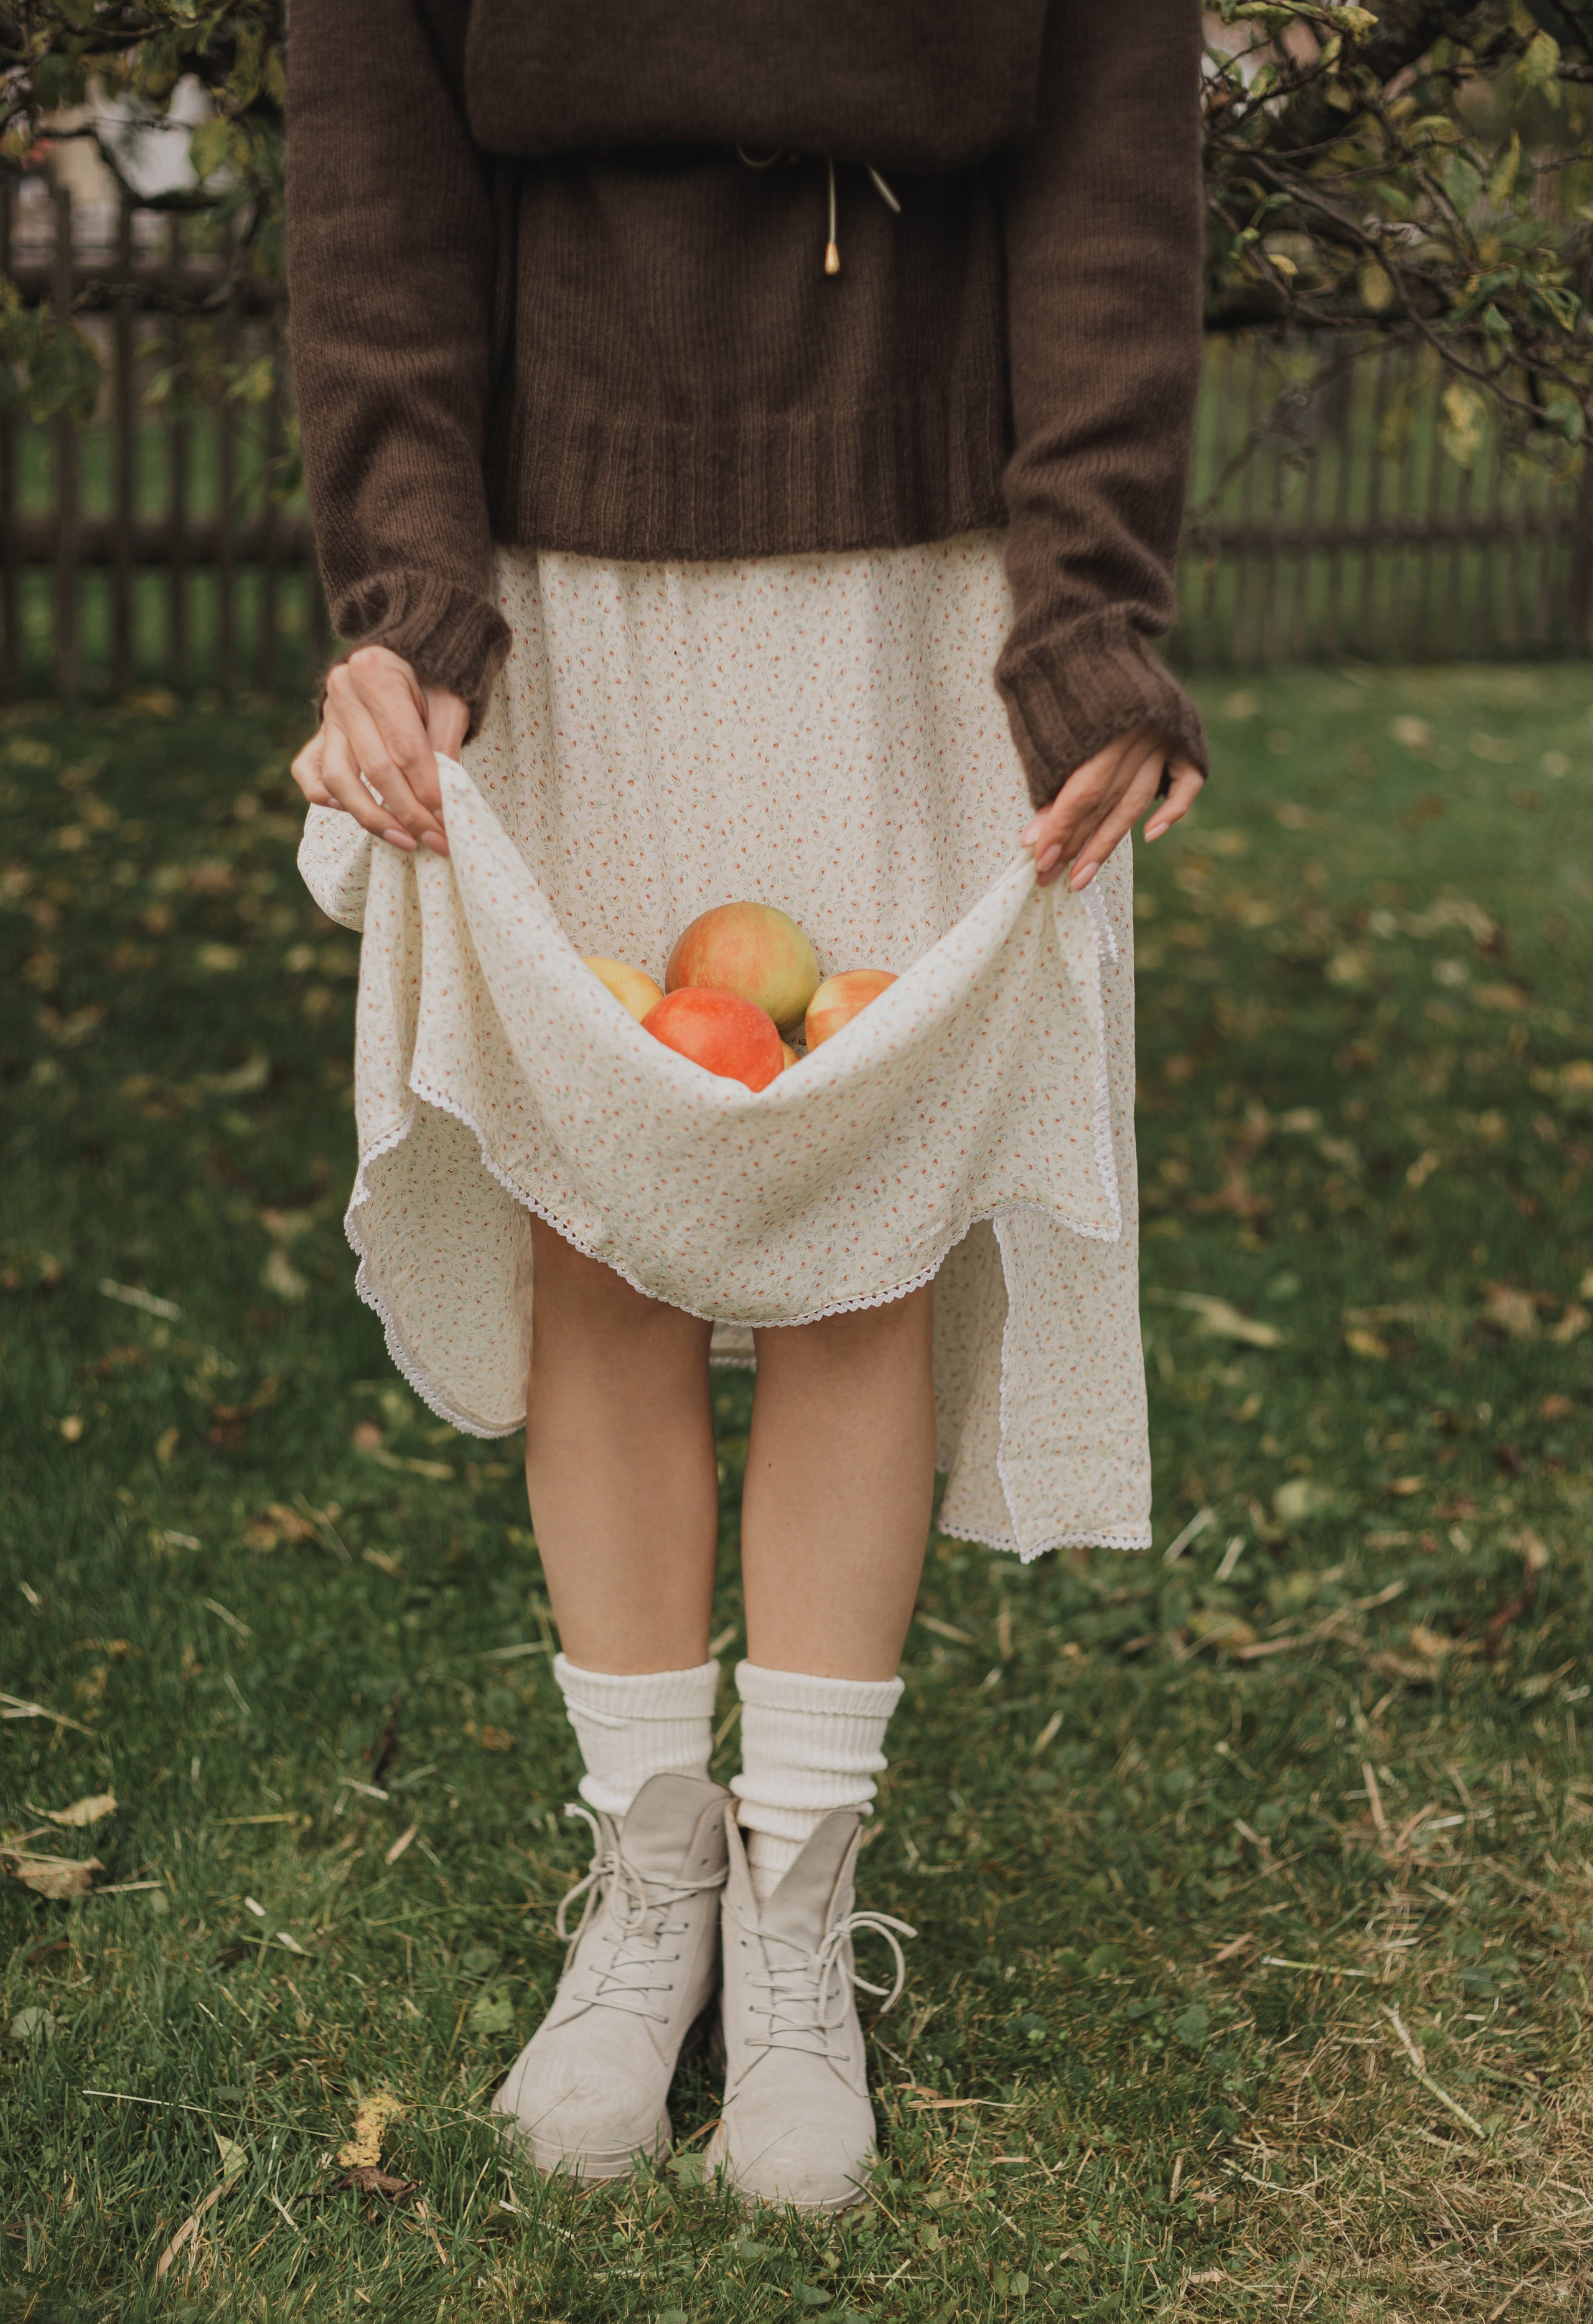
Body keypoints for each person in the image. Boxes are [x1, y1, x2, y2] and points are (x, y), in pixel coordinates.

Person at [285, 0, 1207, 2213]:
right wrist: (409, 592)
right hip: (557, 581)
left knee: (853, 1229)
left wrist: (1088, 606)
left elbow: (1111, 164)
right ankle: (648, 1885)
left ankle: (794, 1911)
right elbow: (375, 166)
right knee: (596, 1218)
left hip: (920, 585)